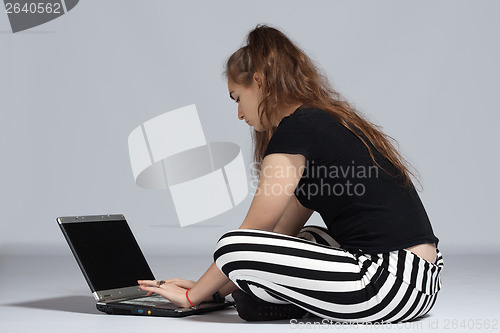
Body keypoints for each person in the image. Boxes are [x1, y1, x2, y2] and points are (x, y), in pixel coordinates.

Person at [138, 24, 444, 324]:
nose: (240, 114)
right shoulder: (323, 121)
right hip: (422, 284)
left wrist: (192, 297)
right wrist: (215, 292)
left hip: (386, 286)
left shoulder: (296, 128)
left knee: (232, 244)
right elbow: (278, 238)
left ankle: (267, 301)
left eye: (237, 98)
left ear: (258, 82)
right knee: (308, 238)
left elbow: (251, 236)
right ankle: (258, 300)